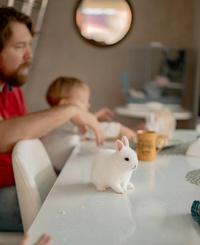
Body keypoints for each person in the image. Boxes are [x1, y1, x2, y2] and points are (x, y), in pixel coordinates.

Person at [0, 6, 104, 232]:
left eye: (29, 44)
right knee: (85, 212)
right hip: (5, 191)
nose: (30, 54)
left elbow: (27, 132)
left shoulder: (10, 87)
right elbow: (2, 136)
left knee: (92, 196)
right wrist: (69, 110)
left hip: (21, 183)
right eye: (20, 47)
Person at [41, 76, 136, 172]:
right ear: (64, 104)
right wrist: (119, 129)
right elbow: (89, 128)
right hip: (60, 169)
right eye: (82, 101)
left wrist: (93, 117)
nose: (88, 105)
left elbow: (78, 127)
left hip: (64, 163)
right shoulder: (62, 118)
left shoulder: (57, 118)